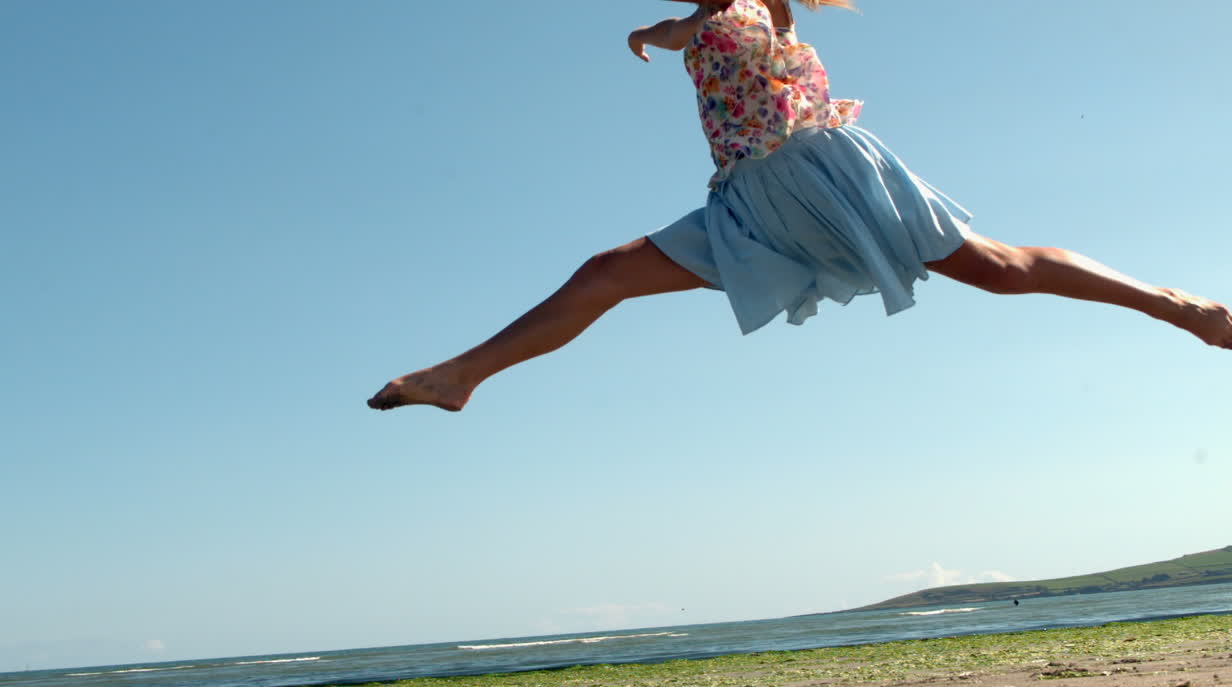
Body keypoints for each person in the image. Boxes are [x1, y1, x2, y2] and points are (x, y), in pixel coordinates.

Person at [368, 0, 1231, 413]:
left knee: (1000, 271)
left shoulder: (762, 4)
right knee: (606, 272)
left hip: (830, 170)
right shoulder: (693, 25)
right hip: (748, 202)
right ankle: (460, 376)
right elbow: (671, 34)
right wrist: (640, 36)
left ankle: (1180, 307)